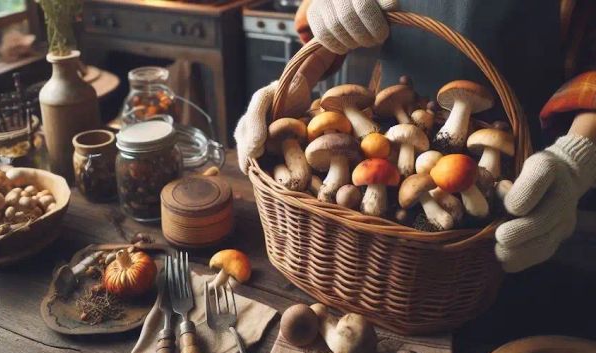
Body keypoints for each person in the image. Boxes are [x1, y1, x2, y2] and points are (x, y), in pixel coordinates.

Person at [235, 0, 596, 273]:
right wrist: (295, 84)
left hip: (529, 173)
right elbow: (325, 25)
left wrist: (576, 157)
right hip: (389, 140)